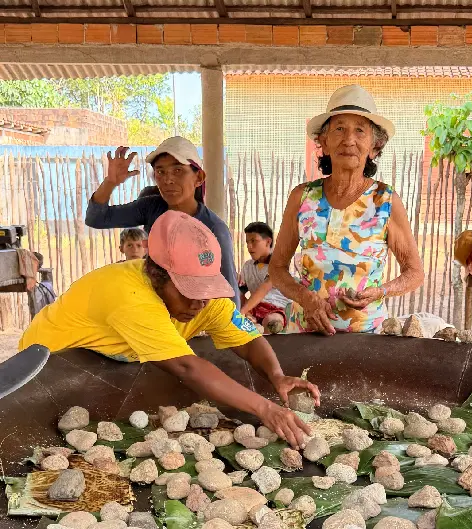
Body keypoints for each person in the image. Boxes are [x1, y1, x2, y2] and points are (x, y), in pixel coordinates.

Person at [19, 211, 318, 448]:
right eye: (188, 290)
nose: (199, 302)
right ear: (155, 275)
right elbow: (188, 368)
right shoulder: (129, 295)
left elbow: (247, 339)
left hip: (105, 356)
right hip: (46, 362)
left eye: (205, 289)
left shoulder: (204, 299)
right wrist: (266, 409)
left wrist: (277, 376)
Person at [270, 85, 424, 335]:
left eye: (360, 131)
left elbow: (414, 272)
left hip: (365, 338)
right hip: (305, 332)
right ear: (324, 142)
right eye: (339, 129)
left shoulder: (384, 200)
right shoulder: (303, 197)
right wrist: (306, 299)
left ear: (374, 147)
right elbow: (276, 268)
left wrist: (381, 291)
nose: (349, 140)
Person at [85, 136, 240, 306]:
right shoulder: (152, 207)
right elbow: (96, 218)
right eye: (160, 172)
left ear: (199, 177)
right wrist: (110, 182)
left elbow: (229, 293)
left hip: (190, 313)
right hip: (153, 304)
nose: (168, 180)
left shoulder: (213, 229)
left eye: (178, 171)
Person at [239, 222, 290, 333]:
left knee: (272, 321)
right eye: (247, 242)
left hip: (275, 308)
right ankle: (254, 325)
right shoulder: (247, 266)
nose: (249, 246)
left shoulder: (278, 264)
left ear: (268, 242)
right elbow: (241, 292)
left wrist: (242, 311)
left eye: (253, 241)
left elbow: (264, 288)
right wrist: (246, 312)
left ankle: (267, 327)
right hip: (253, 309)